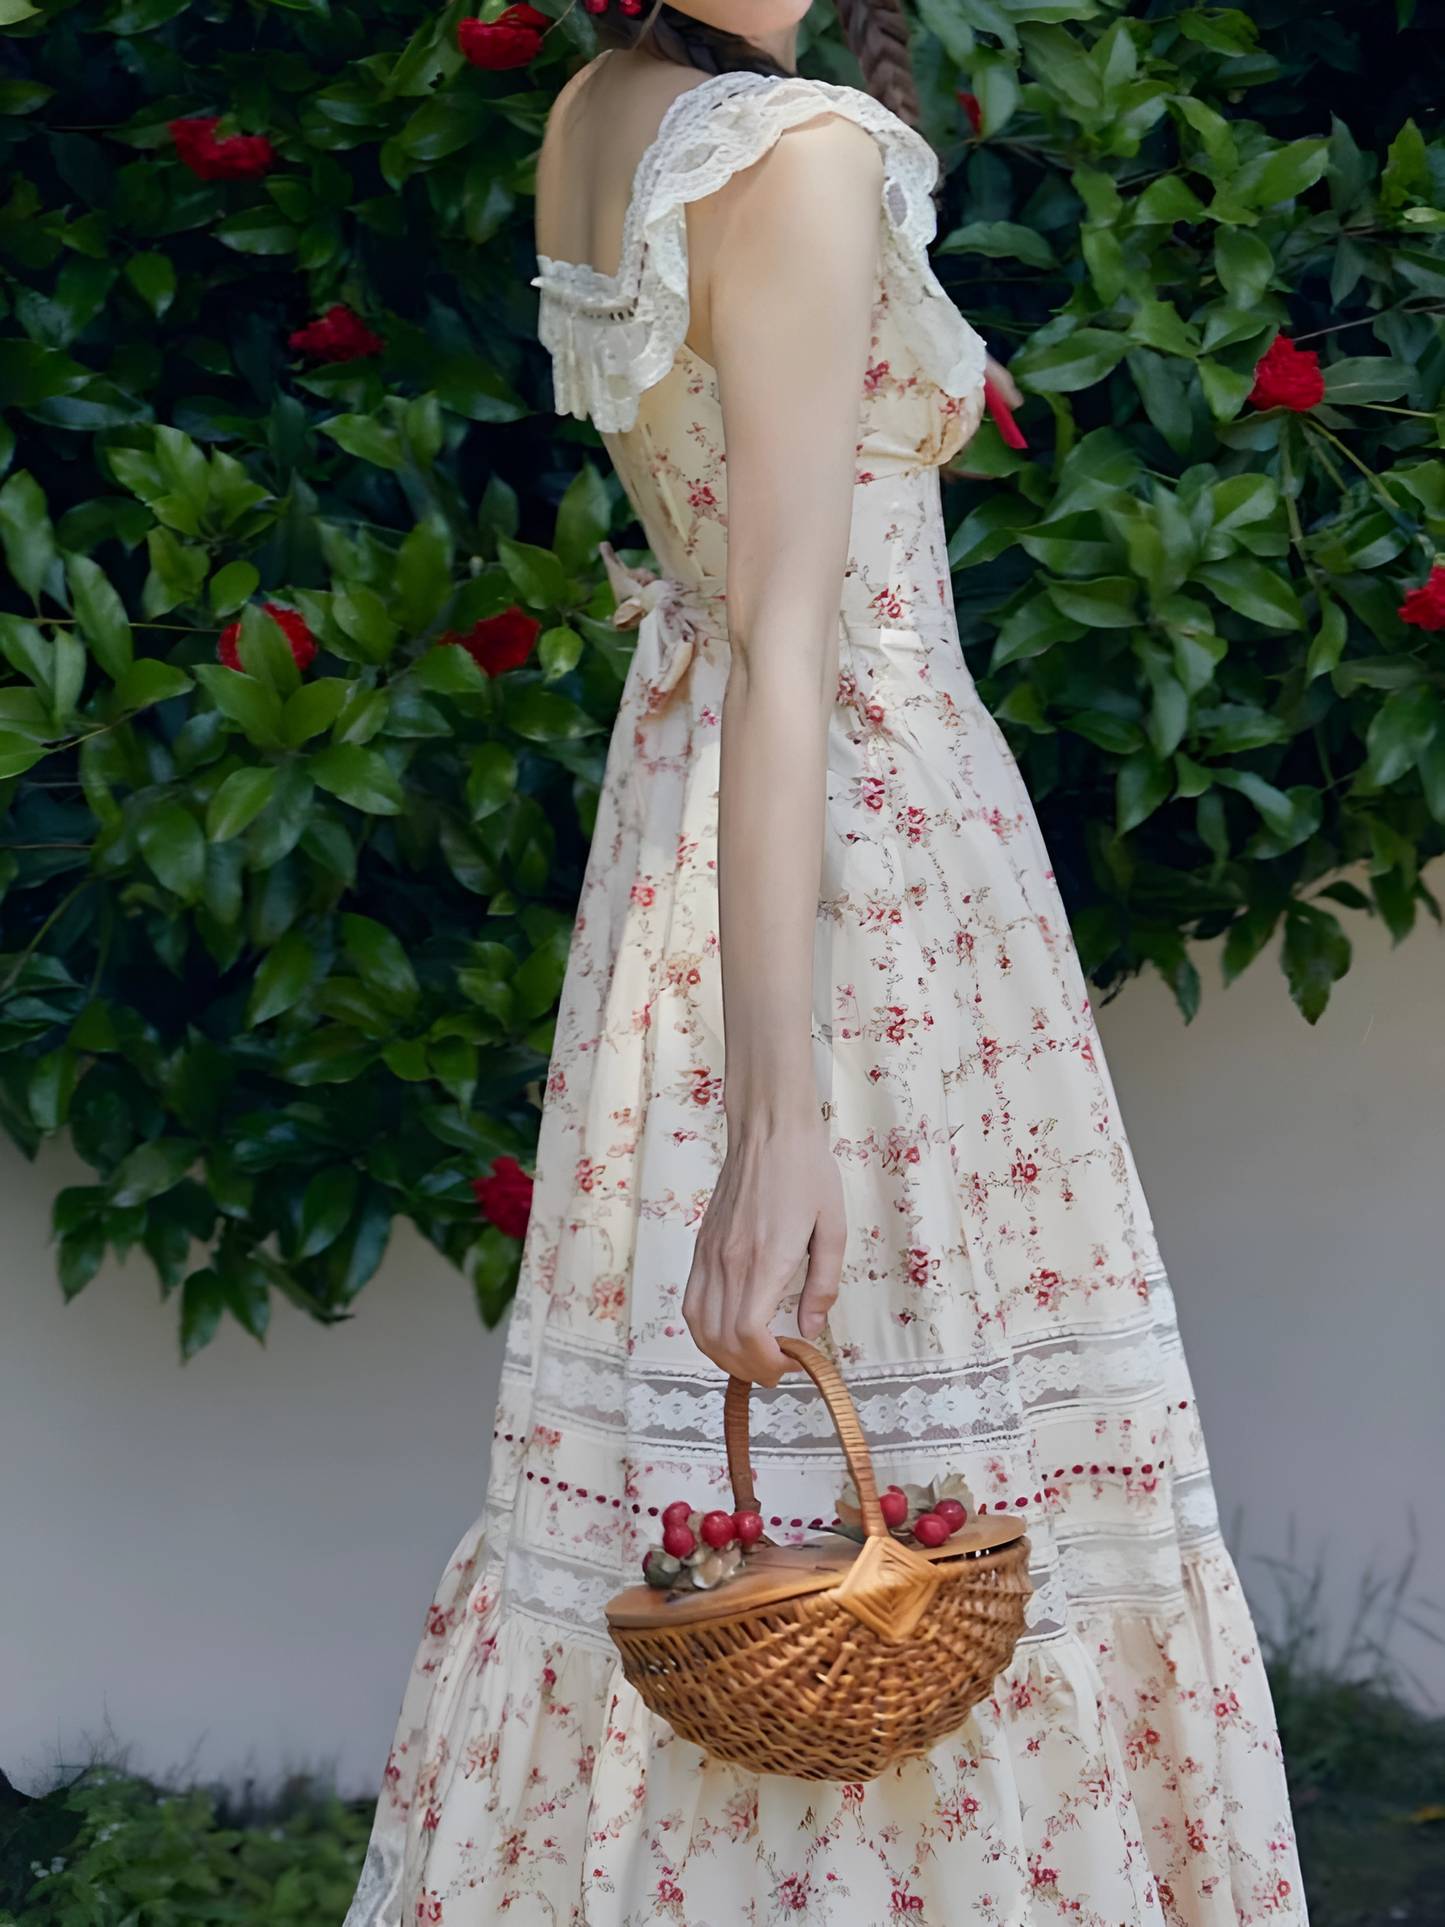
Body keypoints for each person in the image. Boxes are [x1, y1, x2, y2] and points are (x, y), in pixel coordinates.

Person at [345, 0, 1305, 1919]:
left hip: (705, 826)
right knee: (902, 1469)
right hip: (857, 871)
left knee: (752, 1472)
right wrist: (778, 1124)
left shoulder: (605, 109)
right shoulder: (793, 150)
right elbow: (796, 639)